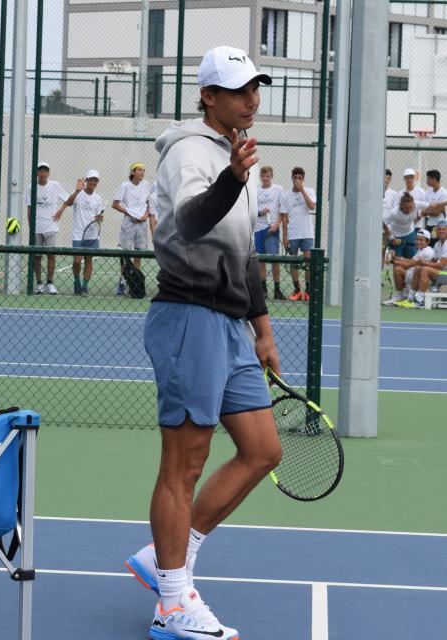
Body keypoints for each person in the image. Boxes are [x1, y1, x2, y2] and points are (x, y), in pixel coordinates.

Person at [126, 46, 280, 640]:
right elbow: (189, 223)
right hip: (189, 316)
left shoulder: (230, 150)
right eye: (241, 90)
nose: (253, 99)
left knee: (263, 450)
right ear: (208, 96)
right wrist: (234, 177)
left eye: (255, 88)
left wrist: (262, 329)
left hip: (231, 325)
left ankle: (164, 557)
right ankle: (172, 602)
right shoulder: (192, 151)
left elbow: (243, 254)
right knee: (184, 464)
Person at [55, 170, 104, 295]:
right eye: (91, 179)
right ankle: (76, 281)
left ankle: (84, 287)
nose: (93, 182)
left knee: (89, 260)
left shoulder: (98, 198)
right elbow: (68, 203)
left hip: (92, 235)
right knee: (77, 261)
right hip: (78, 234)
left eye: (95, 180)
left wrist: (99, 218)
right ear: (86, 180)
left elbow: (99, 217)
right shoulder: (78, 193)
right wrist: (77, 190)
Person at [25, 161, 68, 294]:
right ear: (37, 173)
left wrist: (60, 211)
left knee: (51, 255)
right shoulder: (30, 187)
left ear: (48, 173)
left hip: (51, 227)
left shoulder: (55, 186)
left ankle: (50, 282)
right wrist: (31, 227)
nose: (42, 173)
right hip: (37, 228)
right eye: (40, 170)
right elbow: (29, 208)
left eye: (45, 170)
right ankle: (39, 283)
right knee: (37, 257)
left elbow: (67, 200)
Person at [112, 162, 151, 295]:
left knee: (139, 253)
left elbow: (149, 203)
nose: (142, 172)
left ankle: (134, 282)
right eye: (140, 170)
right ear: (133, 172)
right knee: (125, 253)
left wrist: (145, 215)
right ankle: (123, 282)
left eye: (143, 170)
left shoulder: (146, 185)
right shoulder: (125, 186)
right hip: (129, 223)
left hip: (142, 224)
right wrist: (130, 214)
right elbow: (115, 204)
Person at [279, 166, 317, 301]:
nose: (297, 180)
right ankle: (297, 290)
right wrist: (285, 237)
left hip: (307, 232)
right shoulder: (285, 196)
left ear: (303, 179)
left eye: (300, 178)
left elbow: (312, 206)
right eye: (295, 177)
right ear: (292, 178)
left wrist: (302, 191)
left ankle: (307, 290)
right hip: (293, 233)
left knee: (308, 261)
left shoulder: (310, 191)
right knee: (293, 262)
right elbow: (284, 218)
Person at [255, 166, 284, 299]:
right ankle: (263, 290)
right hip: (258, 229)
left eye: (268, 176)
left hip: (272, 229)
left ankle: (277, 290)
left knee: (274, 260)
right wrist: (261, 212)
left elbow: (283, 210)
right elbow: (252, 211)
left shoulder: (278, 190)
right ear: (261, 177)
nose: (265, 178)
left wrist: (276, 225)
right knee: (261, 260)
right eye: (263, 176)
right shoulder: (256, 191)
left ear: (271, 176)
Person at [387, 228, 435, 308]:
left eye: (421, 240)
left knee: (398, 269)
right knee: (399, 268)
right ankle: (403, 295)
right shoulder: (422, 249)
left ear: (427, 241)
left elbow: (407, 265)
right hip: (414, 275)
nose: (418, 242)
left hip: (418, 278)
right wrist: (395, 258)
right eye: (417, 240)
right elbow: (410, 260)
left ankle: (402, 296)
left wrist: (391, 261)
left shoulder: (426, 252)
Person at [413, 221, 447, 304]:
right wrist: (421, 264)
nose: (441, 231)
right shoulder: (437, 244)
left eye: (443, 229)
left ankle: (419, 300)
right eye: (439, 229)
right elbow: (433, 261)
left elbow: (441, 265)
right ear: (436, 231)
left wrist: (424, 263)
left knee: (425, 269)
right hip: (443, 273)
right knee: (419, 268)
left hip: (444, 273)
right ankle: (411, 297)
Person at [383, 192, 420, 266]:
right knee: (395, 261)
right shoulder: (394, 212)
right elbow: (383, 223)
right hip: (396, 237)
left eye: (410, 207)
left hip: (410, 235)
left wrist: (421, 214)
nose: (408, 210)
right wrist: (392, 238)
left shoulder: (416, 205)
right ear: (401, 205)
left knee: (413, 259)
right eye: (406, 208)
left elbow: (431, 205)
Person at [421, 169, 447, 240]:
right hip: (429, 224)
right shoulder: (428, 192)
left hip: (439, 225)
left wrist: (426, 212)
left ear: (434, 179)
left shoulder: (443, 193)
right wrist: (430, 210)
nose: (426, 181)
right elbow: (424, 207)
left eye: (428, 179)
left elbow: (437, 212)